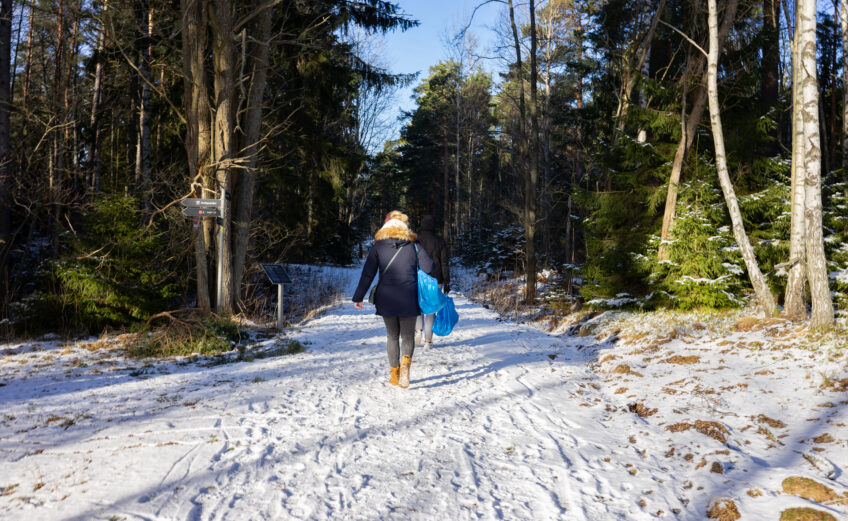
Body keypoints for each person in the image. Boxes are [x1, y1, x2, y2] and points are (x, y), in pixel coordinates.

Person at [352, 211, 437, 388]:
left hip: (386, 298)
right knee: (407, 336)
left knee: (392, 336)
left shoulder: (378, 246)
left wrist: (358, 296)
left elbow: (368, 273)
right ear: (405, 226)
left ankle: (395, 375)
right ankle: (406, 364)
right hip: (409, 297)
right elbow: (429, 268)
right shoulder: (414, 244)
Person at [414, 215, 450, 347]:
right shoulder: (440, 241)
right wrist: (447, 281)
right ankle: (428, 340)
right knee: (431, 309)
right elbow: (445, 262)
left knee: (418, 306)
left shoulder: (415, 240)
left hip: (418, 278)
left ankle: (418, 331)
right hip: (436, 279)